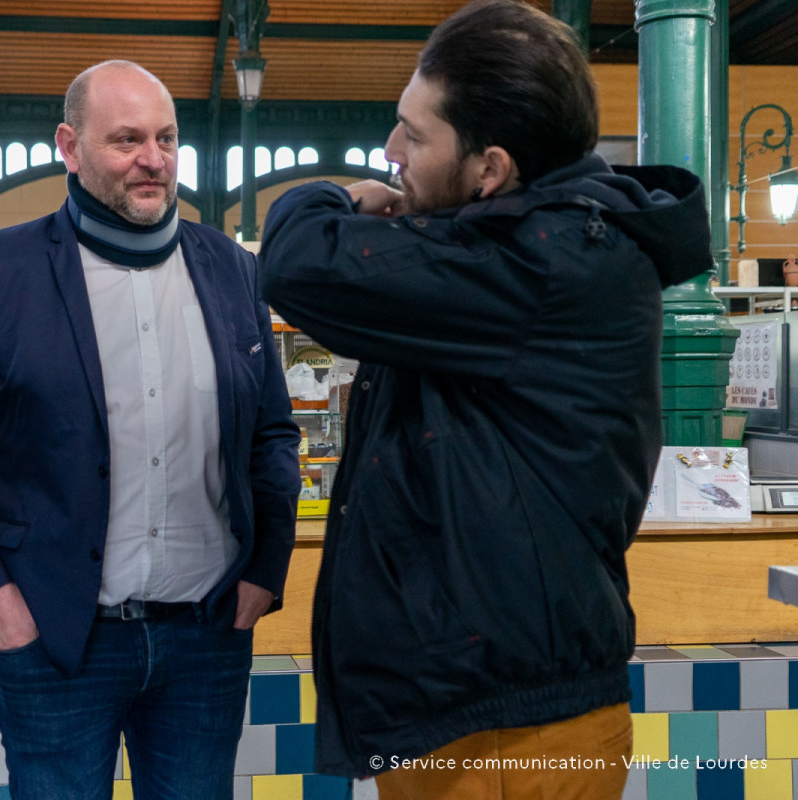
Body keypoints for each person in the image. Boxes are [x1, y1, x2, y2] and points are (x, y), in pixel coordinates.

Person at [257, 1, 713, 797]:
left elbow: (298, 263)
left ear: (490, 169)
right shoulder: (532, 245)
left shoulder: (542, 263)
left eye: (415, 134)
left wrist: (332, 196)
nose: (393, 150)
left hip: (504, 722)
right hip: (473, 699)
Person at [0, 60, 299, 799]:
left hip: (206, 635)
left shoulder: (233, 271)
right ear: (70, 147)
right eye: (127, 140)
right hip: (54, 639)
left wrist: (264, 571)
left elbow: (272, 435)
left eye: (167, 138)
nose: (154, 159)